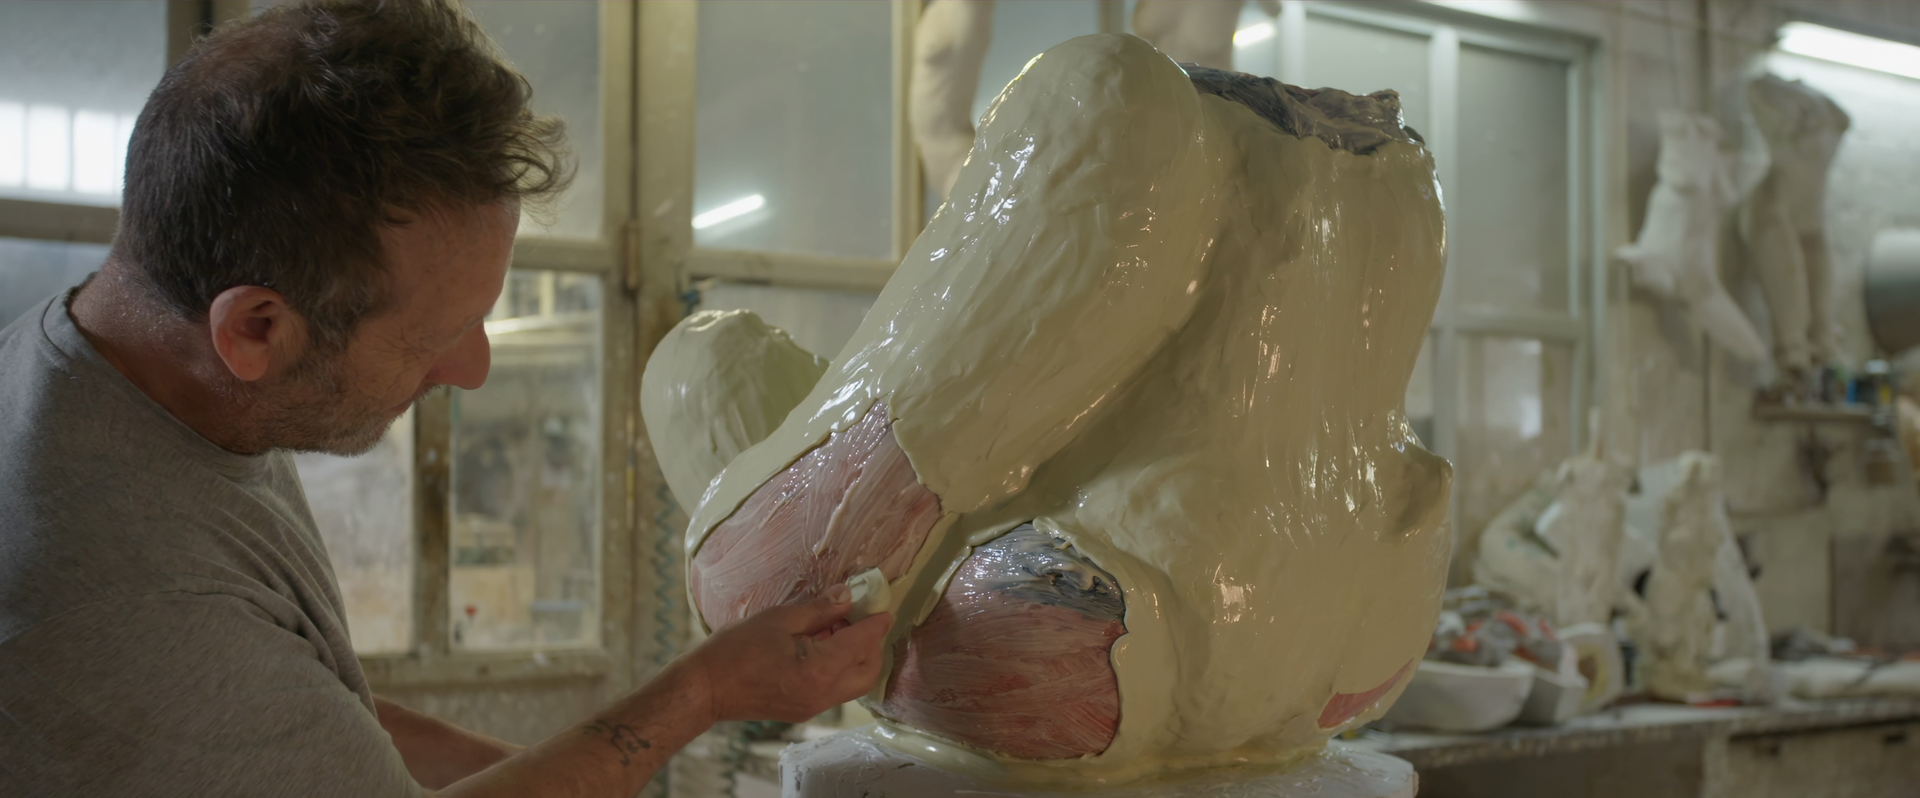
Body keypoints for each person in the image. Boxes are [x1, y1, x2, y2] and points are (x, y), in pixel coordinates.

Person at [0, 1, 892, 795]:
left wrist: (528, 764)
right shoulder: (124, 603)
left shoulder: (124, 356)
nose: (470, 369)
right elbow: (195, 671)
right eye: (431, 337)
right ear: (258, 330)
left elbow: (298, 702)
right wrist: (701, 692)